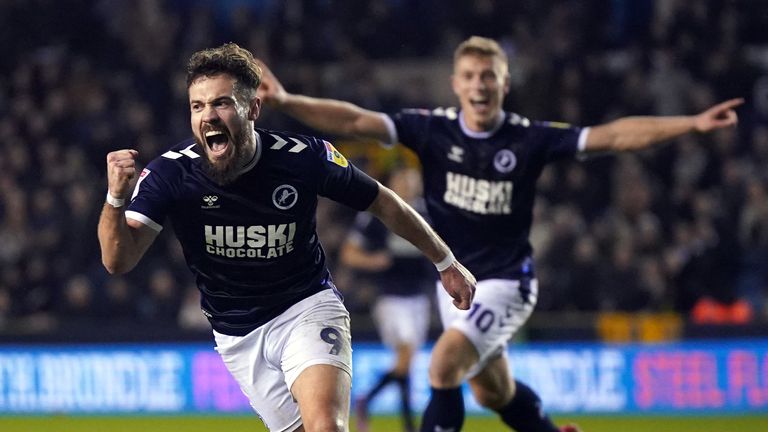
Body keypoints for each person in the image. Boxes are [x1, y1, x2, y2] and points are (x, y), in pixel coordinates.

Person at [254, 36, 743, 432]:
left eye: (489, 75)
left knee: (442, 367)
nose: (479, 84)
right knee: (494, 392)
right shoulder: (432, 130)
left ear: (504, 84)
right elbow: (355, 120)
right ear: (456, 85)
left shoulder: (529, 138)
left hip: (506, 282)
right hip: (455, 281)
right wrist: (286, 101)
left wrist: (692, 123)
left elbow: (613, 135)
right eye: (470, 76)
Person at [97, 42, 476, 432]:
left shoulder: (302, 158)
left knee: (325, 426)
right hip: (238, 334)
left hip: (306, 306)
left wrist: (446, 262)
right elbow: (117, 260)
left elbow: (385, 203)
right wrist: (115, 199)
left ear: (253, 109)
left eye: (222, 103)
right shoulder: (172, 173)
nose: (209, 115)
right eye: (198, 106)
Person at [340, 166, 434, 432]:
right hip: (391, 297)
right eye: (402, 180)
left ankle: (377, 407)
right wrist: (375, 261)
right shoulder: (376, 215)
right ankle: (377, 406)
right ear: (392, 182)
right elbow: (349, 254)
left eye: (411, 181)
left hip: (419, 296)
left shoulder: (427, 213)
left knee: (407, 363)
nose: (407, 185)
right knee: (405, 356)